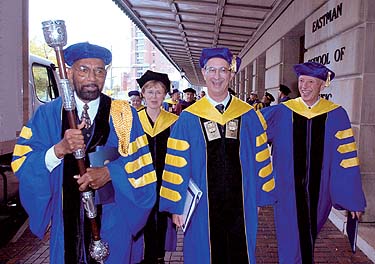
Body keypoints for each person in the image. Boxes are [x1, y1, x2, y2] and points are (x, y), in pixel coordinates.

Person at [11, 42, 157, 264]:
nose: (92, 77)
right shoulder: (48, 115)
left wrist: (110, 173)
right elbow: (22, 162)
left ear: (105, 75)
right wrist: (58, 150)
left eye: (99, 70)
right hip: (66, 222)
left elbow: (143, 166)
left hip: (112, 220)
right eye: (83, 70)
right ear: (69, 73)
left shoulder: (123, 115)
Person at [159, 47, 275, 263]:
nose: (217, 76)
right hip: (203, 205)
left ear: (231, 74)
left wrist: (259, 197)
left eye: (223, 70)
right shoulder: (189, 118)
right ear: (203, 73)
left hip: (242, 201)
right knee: (204, 254)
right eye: (212, 70)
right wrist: (176, 206)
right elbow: (176, 164)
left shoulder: (248, 115)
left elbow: (261, 156)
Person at [261, 62, 366, 264]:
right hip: (286, 189)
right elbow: (251, 130)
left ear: (322, 85)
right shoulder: (283, 112)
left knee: (307, 235)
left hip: (321, 192)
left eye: (311, 82)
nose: (305, 86)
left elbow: (346, 158)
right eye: (302, 81)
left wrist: (352, 199)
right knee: (289, 238)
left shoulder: (336, 115)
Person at [132, 70, 178, 264]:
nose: (154, 96)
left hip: (165, 181)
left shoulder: (175, 122)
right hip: (139, 182)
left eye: (158, 92)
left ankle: (157, 257)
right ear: (142, 94)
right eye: (149, 91)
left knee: (160, 222)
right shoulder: (133, 121)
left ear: (165, 95)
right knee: (141, 221)